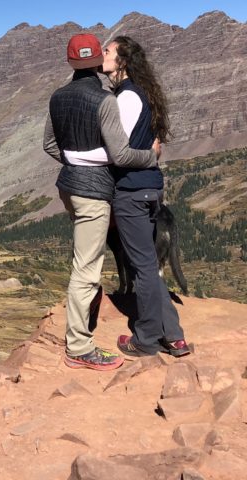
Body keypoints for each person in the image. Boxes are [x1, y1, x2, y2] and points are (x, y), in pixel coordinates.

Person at [43, 33, 160, 371]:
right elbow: (120, 155)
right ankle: (79, 347)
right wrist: (150, 157)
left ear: (70, 62)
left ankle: (85, 320)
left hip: (68, 187)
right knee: (87, 268)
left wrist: (74, 161)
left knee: (84, 255)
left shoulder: (57, 97)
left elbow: (50, 145)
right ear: (97, 61)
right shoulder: (105, 100)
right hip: (94, 193)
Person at [101, 35, 190, 358]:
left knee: (142, 267)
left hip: (131, 189)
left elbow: (120, 152)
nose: (102, 54)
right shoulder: (142, 95)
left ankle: (146, 338)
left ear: (122, 61)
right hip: (150, 187)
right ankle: (174, 336)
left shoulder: (126, 97)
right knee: (149, 265)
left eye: (107, 51)